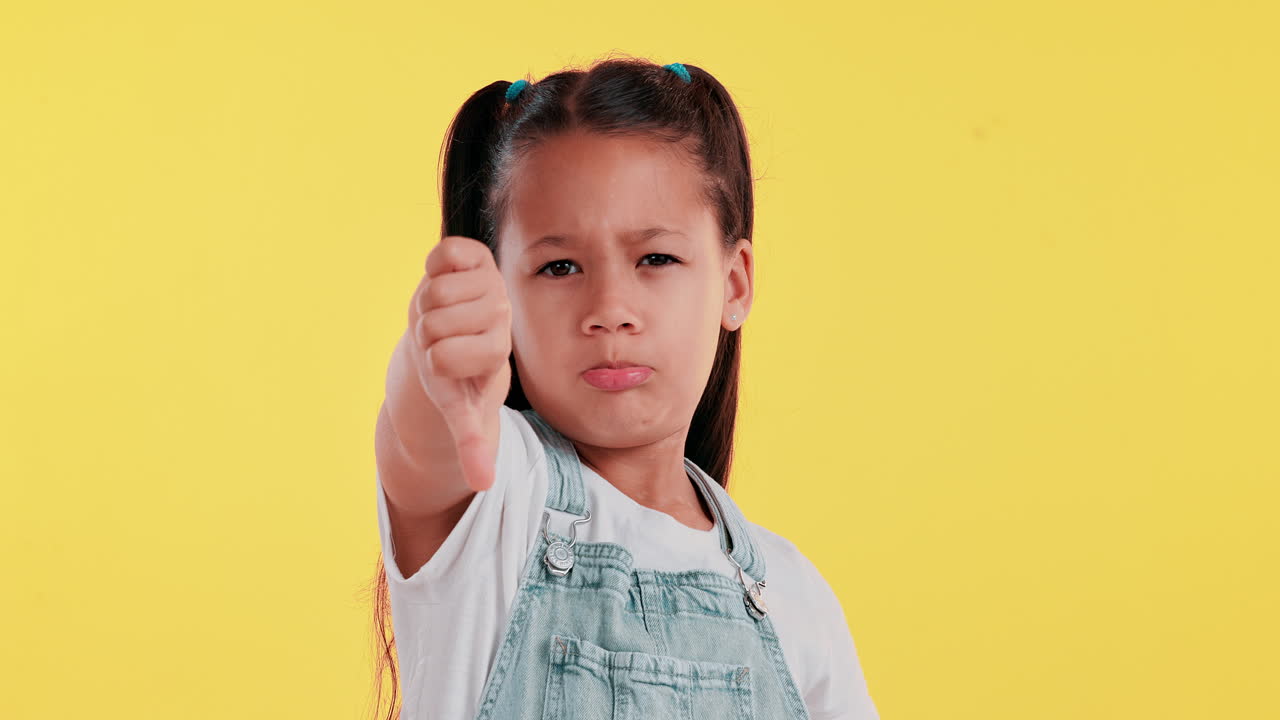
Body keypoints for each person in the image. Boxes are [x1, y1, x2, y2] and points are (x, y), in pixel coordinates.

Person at [369, 57, 879, 720]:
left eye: (655, 259)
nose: (609, 307)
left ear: (734, 282)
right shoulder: (497, 501)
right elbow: (419, 444)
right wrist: (433, 368)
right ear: (500, 291)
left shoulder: (791, 595)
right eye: (559, 266)